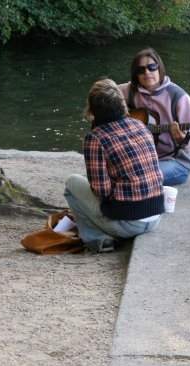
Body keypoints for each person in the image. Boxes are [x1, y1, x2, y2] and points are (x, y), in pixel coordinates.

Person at [64, 78, 165, 253]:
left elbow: (101, 191)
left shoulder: (95, 137)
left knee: (72, 183)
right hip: (155, 217)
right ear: (122, 103)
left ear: (93, 110)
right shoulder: (140, 126)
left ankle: (98, 240)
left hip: (128, 224)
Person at [118, 47, 190, 186]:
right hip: (139, 159)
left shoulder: (178, 96)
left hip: (173, 162)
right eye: (140, 70)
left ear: (159, 68)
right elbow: (103, 94)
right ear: (136, 75)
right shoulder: (130, 91)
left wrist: (184, 140)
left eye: (152, 67)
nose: (147, 72)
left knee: (138, 178)